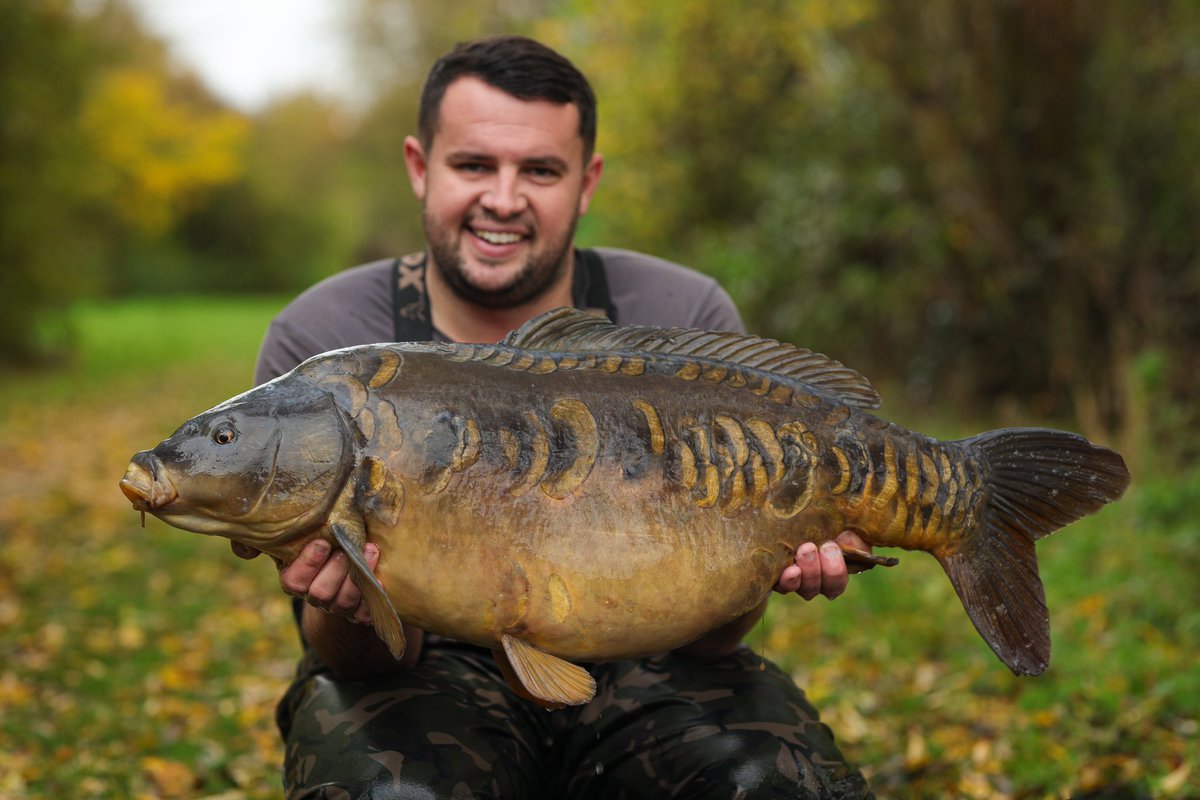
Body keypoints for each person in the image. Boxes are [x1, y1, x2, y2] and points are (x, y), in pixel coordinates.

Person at [241, 35, 873, 799]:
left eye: (539, 170)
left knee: (779, 785)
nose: (503, 199)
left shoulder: (683, 315)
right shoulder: (324, 341)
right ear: (419, 166)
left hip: (654, 660)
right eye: (474, 164)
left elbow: (710, 640)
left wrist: (764, 567)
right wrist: (346, 603)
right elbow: (356, 659)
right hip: (421, 670)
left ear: (587, 181)